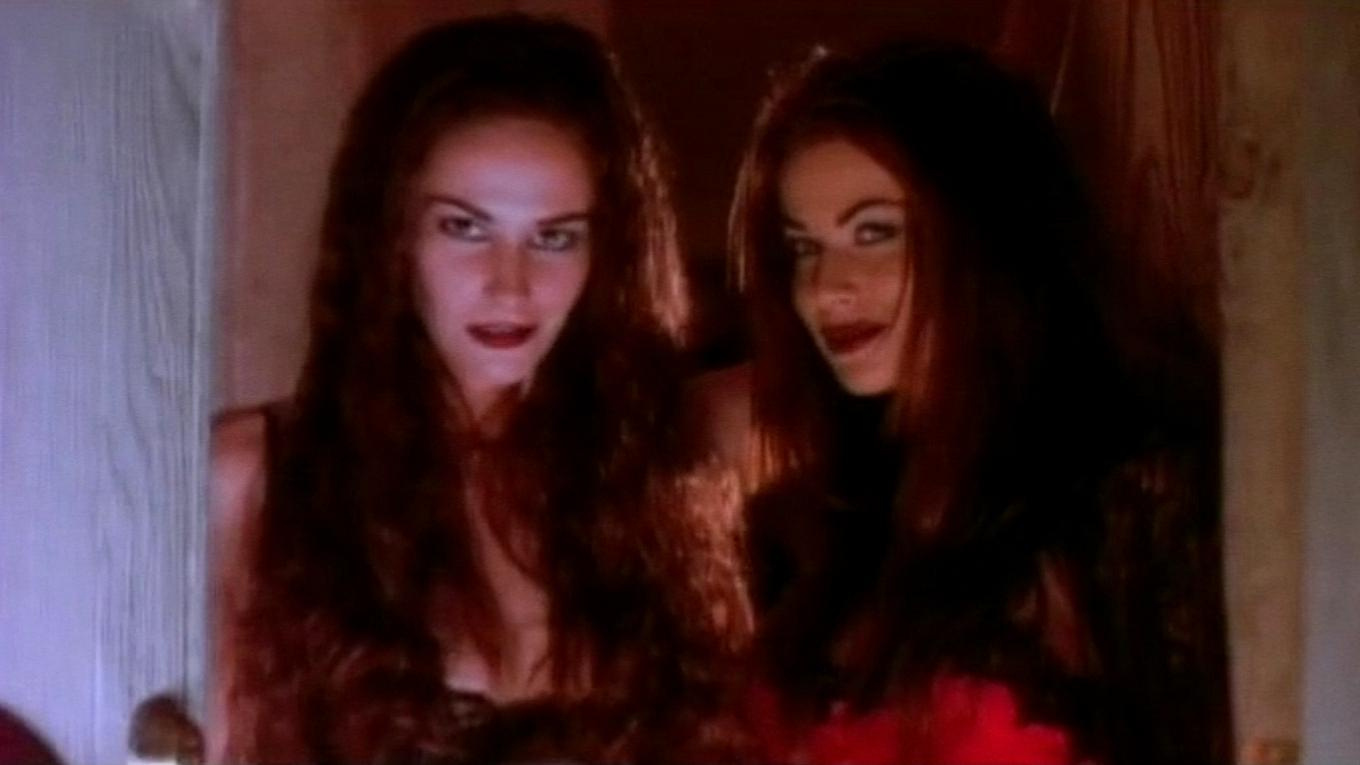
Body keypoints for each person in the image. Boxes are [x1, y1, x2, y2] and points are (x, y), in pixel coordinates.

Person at [210, 15, 749, 764]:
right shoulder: (258, 476)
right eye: (465, 228)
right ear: (392, 237)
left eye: (554, 237)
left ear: (606, 255)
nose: (510, 284)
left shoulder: (658, 472)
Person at [719, 40, 1229, 764]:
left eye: (875, 233)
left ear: (985, 234)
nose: (827, 287)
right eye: (805, 247)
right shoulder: (821, 519)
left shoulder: (1131, 494)